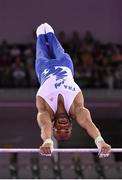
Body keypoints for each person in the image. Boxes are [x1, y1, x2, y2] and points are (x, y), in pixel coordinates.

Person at [35, 23, 111, 158]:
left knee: (41, 38)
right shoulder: (77, 109)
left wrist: (47, 141)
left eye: (60, 129)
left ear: (54, 127)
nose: (63, 126)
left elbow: (44, 126)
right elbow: (88, 123)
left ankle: (41, 35)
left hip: (43, 68)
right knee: (51, 38)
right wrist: (100, 142)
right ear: (71, 125)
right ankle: (50, 34)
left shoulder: (46, 111)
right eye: (67, 129)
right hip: (65, 65)